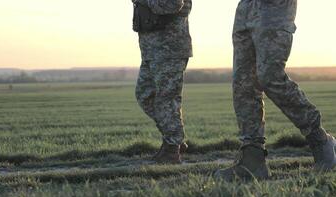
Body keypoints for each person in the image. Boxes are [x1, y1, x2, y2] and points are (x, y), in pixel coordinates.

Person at [215, 0, 336, 180]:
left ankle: (319, 138)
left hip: (274, 8)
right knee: (243, 84)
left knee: (270, 77)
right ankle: (252, 159)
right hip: (246, 9)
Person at [133, 0, 192, 164]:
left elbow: (173, 4)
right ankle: (174, 139)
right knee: (144, 95)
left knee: (167, 99)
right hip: (151, 50)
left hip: (169, 49)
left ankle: (172, 148)